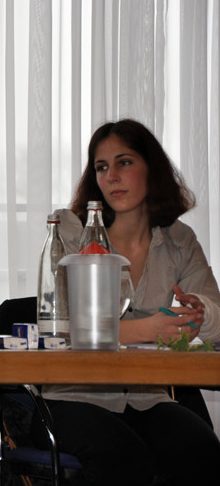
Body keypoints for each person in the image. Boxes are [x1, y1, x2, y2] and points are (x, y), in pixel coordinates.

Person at [36, 119, 220, 485]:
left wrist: (200, 314)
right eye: (101, 167)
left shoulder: (180, 239)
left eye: (124, 162)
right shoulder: (70, 230)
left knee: (203, 453)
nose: (111, 177)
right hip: (72, 395)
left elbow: (215, 318)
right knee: (125, 458)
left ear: (152, 168)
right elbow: (66, 329)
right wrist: (149, 329)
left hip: (145, 395)